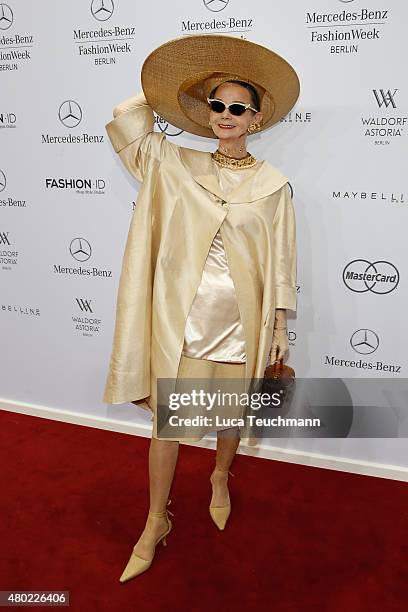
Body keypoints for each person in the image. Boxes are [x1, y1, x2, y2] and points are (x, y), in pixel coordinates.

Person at [102, 34, 299, 583]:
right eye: (217, 105)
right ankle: (154, 519)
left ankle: (219, 475)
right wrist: (174, 90)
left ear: (257, 120)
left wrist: (280, 323)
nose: (226, 115)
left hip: (244, 320)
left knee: (229, 414)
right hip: (181, 320)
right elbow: (125, 120)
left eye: (239, 107)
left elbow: (282, 258)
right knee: (168, 425)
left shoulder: (274, 185)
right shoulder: (174, 163)